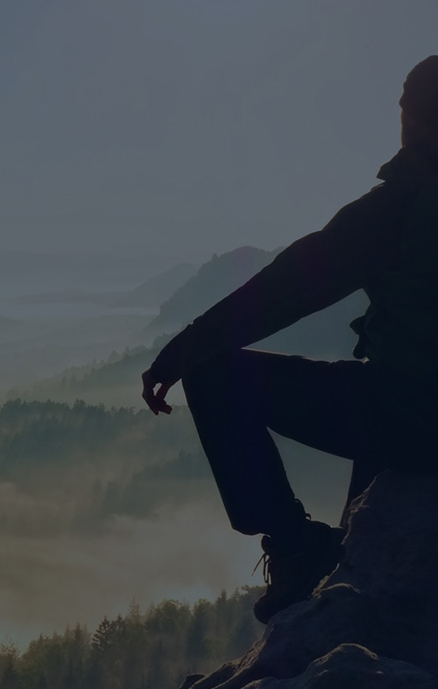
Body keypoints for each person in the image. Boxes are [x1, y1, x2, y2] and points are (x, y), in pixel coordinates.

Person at [141, 56, 438, 624]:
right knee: (367, 525)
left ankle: (296, 548)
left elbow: (288, 288)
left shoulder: (398, 208)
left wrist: (183, 351)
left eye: (406, 107)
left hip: (413, 414)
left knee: (218, 376)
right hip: (409, 409)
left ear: (414, 118)